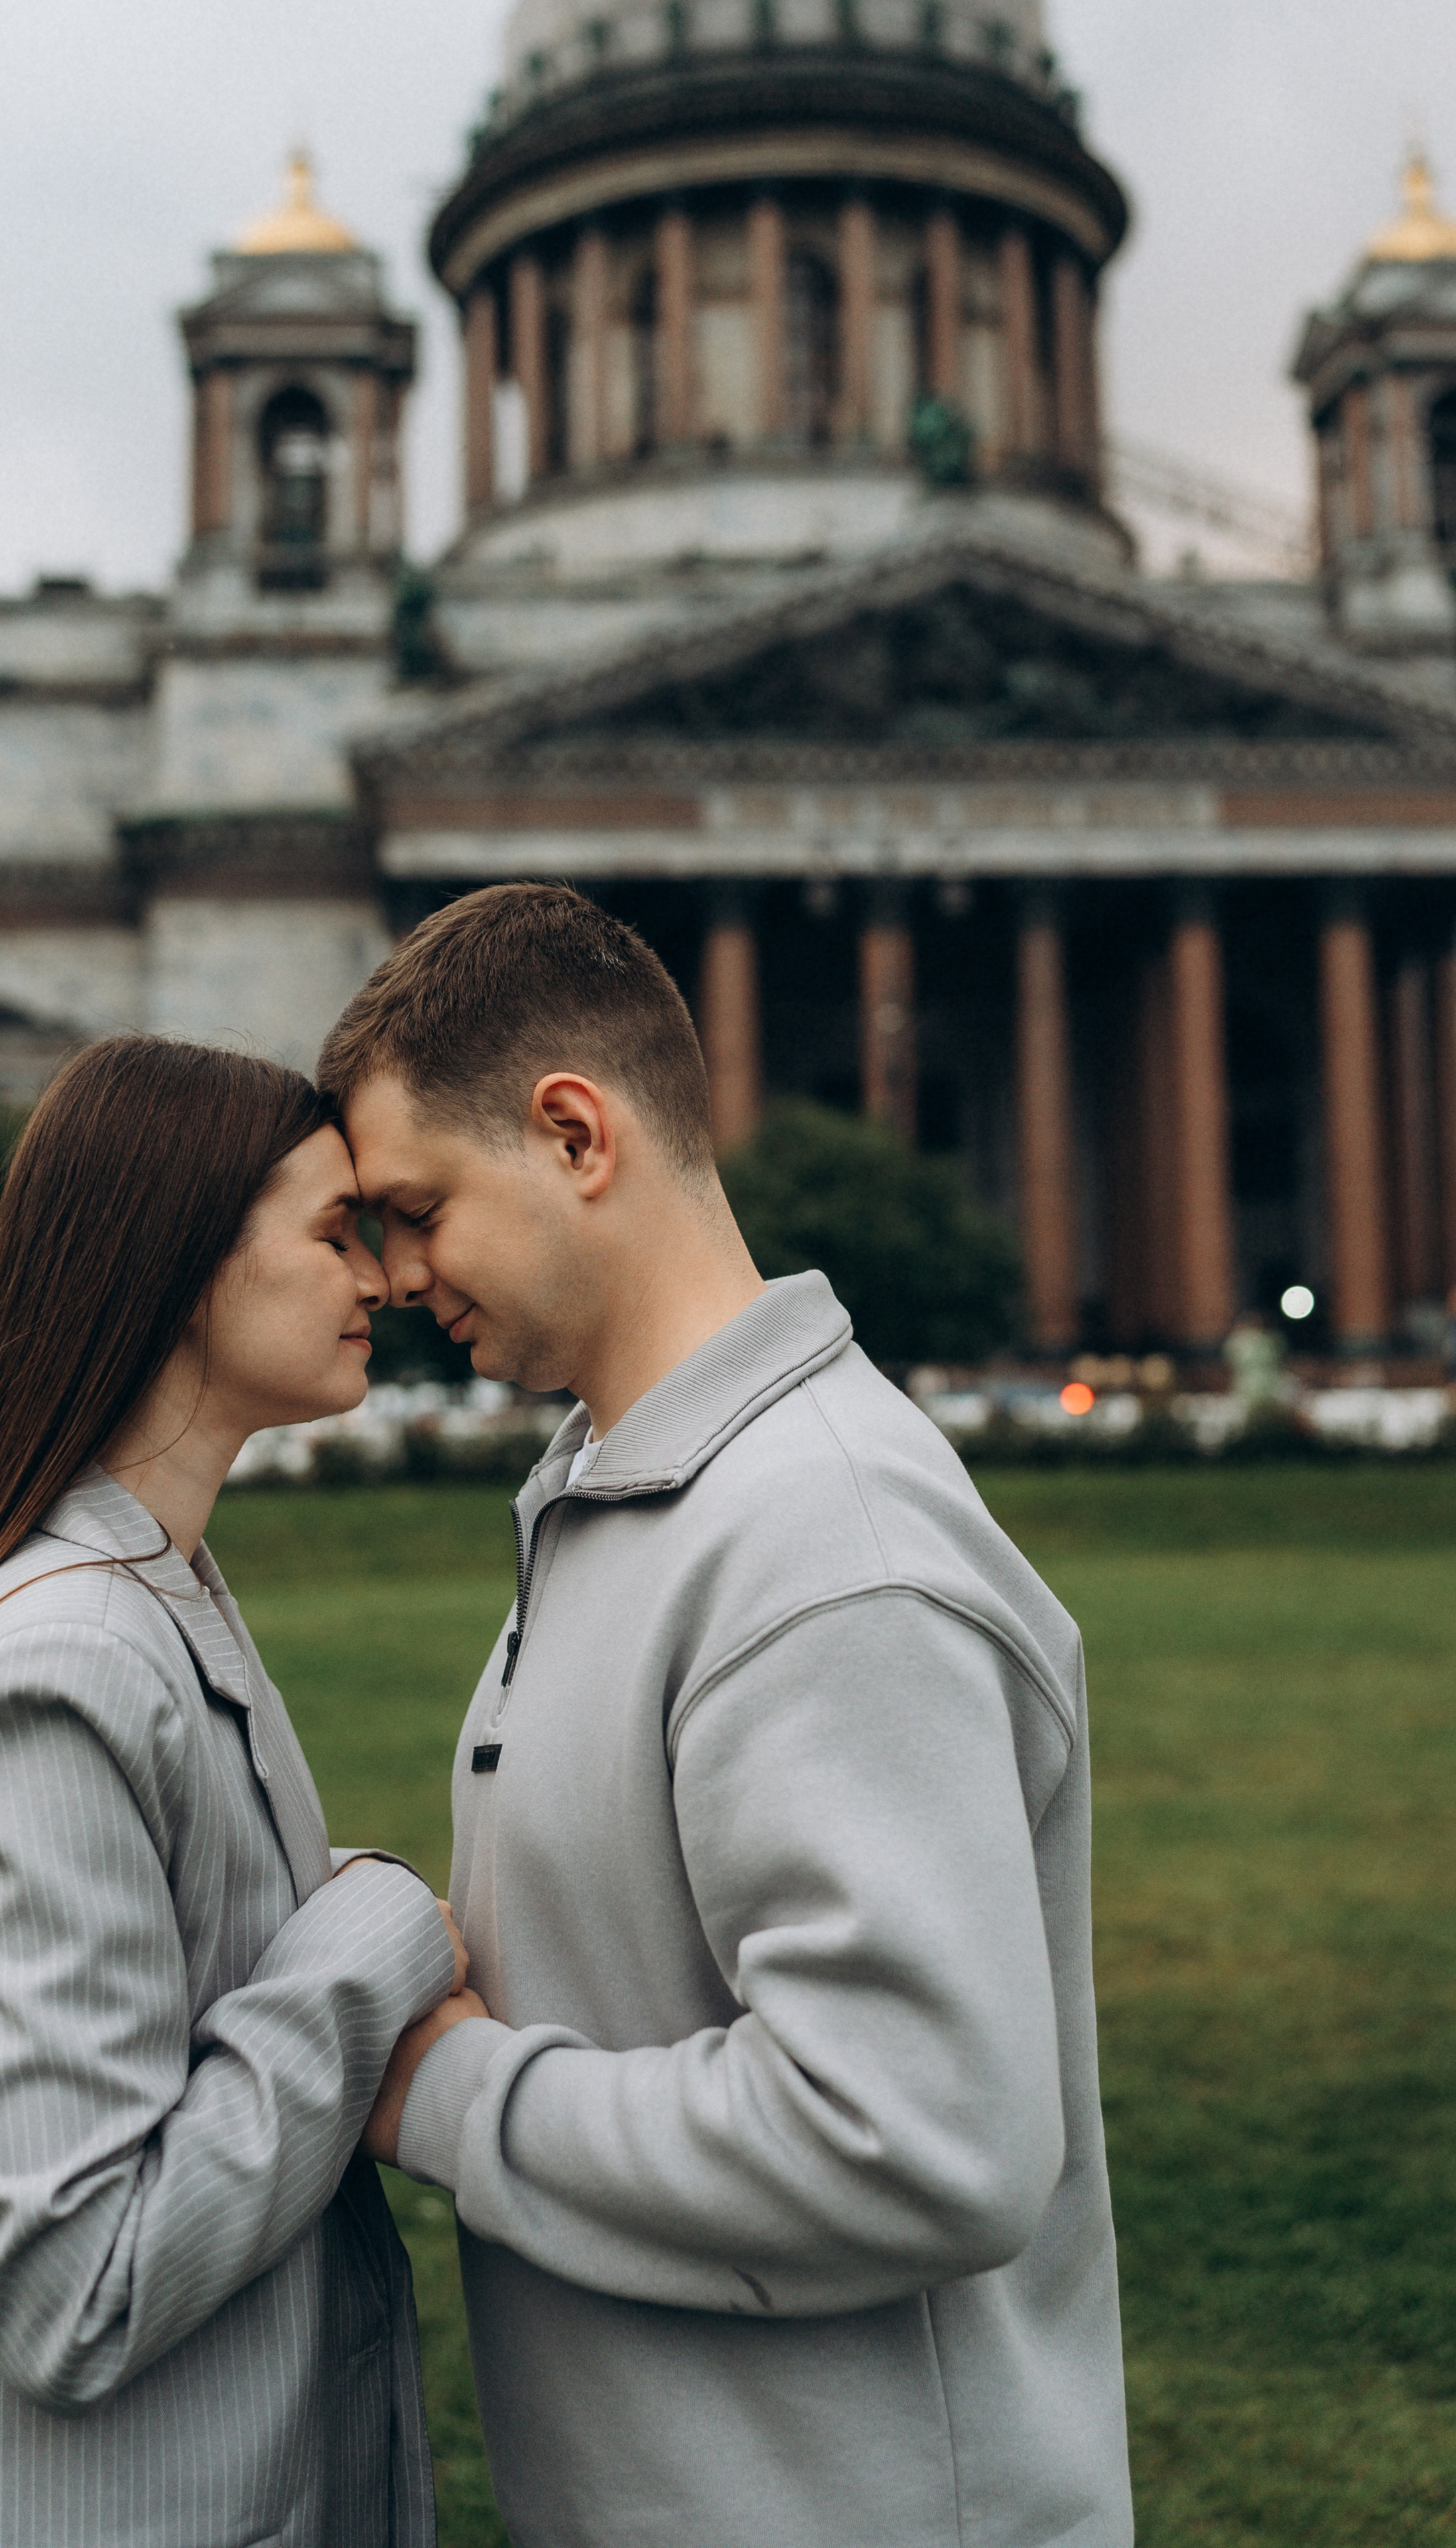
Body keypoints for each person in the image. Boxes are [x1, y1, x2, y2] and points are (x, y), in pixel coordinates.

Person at [326, 885, 1133, 2548]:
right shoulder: (644, 1496)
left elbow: (919, 2143)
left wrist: (450, 2096)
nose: (394, 1276)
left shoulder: (821, 1545)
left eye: (416, 1209)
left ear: (571, 1135)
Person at [0, 1037, 484, 2548]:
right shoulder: (66, 1664)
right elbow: (71, 2287)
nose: (385, 1276)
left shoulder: (156, 1596)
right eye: (332, 1229)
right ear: (183, 1259)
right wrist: (373, 1945)